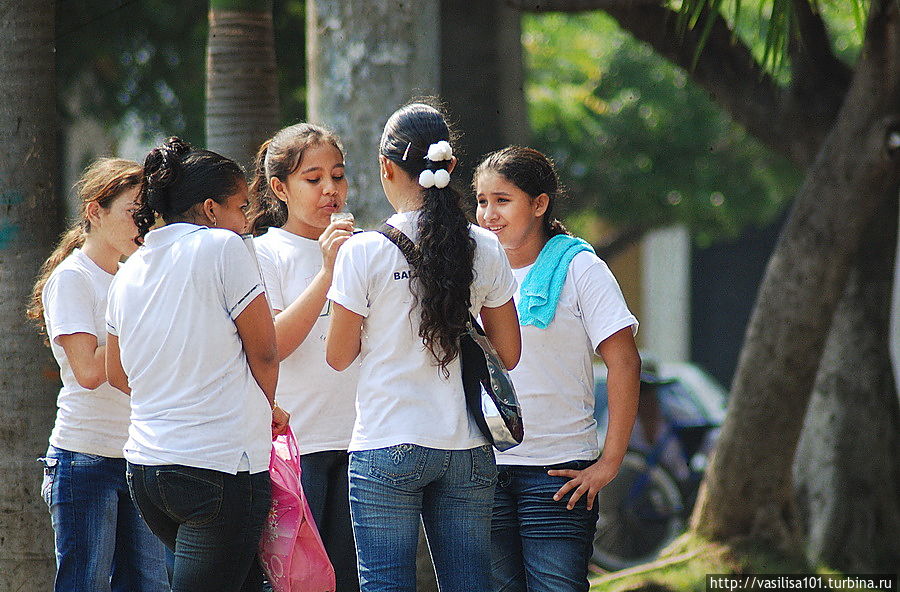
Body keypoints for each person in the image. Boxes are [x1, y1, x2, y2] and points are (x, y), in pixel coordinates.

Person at [325, 102, 522, 592]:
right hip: (467, 447)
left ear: (387, 168)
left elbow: (338, 355)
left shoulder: (363, 251)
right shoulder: (485, 246)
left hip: (387, 441)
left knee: (386, 583)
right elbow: (510, 353)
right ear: (451, 166)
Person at [104, 137, 290, 592]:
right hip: (219, 469)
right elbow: (265, 351)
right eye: (242, 206)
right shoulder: (224, 248)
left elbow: (116, 373)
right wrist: (266, 409)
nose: (247, 221)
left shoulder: (129, 268)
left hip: (147, 472)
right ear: (210, 209)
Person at [473, 146, 641, 592]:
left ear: (540, 204)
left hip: (559, 476)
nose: (489, 213)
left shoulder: (580, 268)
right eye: (482, 200)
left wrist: (609, 462)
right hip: (482, 470)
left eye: (502, 200)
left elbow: (624, 362)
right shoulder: (472, 270)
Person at [27, 158, 169, 592]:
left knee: (150, 584)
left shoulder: (134, 277)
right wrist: (138, 331)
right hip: (84, 458)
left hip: (138, 456)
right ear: (95, 211)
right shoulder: (72, 278)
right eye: (132, 211)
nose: (141, 224)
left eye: (147, 213)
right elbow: (88, 371)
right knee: (84, 582)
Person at [247, 122, 358, 591]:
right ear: (280, 188)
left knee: (354, 580)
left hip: (362, 443)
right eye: (313, 179)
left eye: (338, 175)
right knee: (300, 580)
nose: (330, 190)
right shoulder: (263, 252)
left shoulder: (363, 249)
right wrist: (329, 271)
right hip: (296, 449)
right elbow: (271, 345)